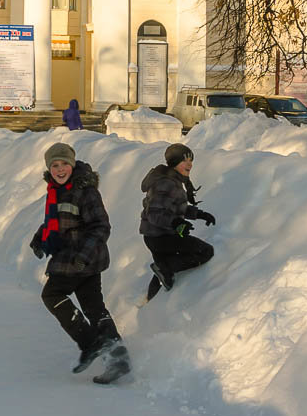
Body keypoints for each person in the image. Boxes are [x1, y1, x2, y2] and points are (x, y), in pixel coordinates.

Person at [29, 142, 129, 382]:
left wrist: (81, 257)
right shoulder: (56, 190)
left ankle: (89, 342)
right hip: (79, 258)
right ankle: (119, 360)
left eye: (64, 164)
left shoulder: (85, 190)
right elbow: (56, 220)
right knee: (94, 308)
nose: (60, 169)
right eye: (55, 165)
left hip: (80, 258)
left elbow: (101, 226)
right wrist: (40, 238)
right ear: (49, 168)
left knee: (52, 295)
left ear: (72, 166)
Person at [139, 143, 216, 302]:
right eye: (185, 160)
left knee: (163, 273)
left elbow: (175, 208)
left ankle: (148, 303)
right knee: (205, 251)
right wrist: (176, 224)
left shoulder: (172, 181)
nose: (190, 164)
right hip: (161, 237)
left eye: (191, 160)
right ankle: (163, 271)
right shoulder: (165, 183)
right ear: (174, 162)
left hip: (156, 236)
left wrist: (200, 215)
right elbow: (154, 214)